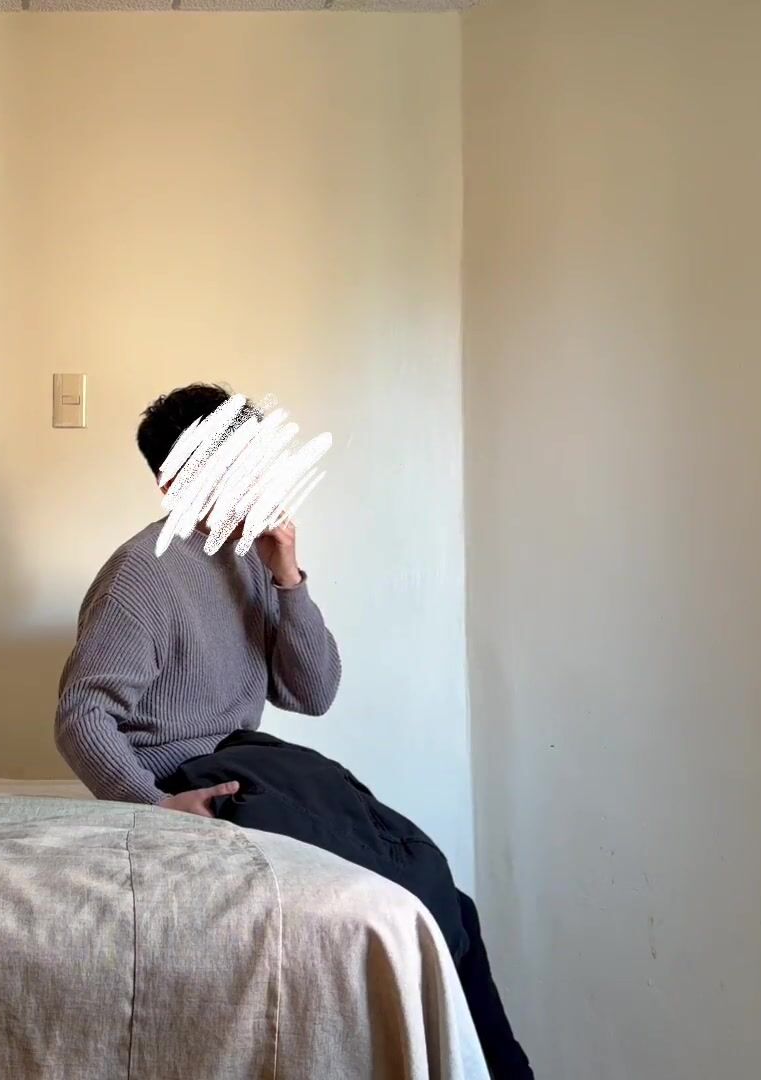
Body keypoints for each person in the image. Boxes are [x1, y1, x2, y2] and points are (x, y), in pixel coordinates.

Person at [54, 384, 532, 1078]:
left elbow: (312, 692)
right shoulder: (142, 572)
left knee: (445, 898)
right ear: (172, 484)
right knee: (414, 897)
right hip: (192, 773)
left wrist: (287, 575)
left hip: (252, 758)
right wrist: (154, 805)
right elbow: (81, 714)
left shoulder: (250, 560)